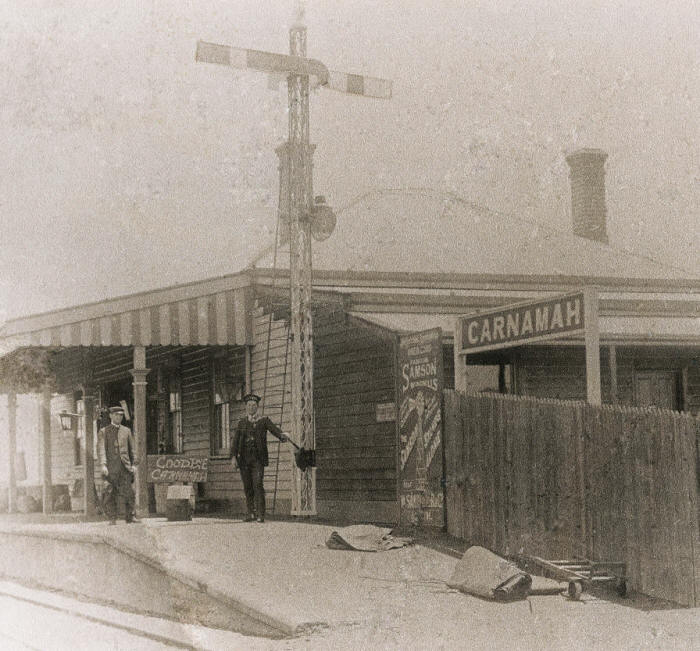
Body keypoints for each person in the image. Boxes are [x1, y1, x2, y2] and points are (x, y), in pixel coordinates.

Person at [231, 394, 288, 523]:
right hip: (244, 460)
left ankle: (260, 514)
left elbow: (274, 430)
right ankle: (251, 513)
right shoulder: (242, 423)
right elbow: (235, 441)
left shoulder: (263, 420)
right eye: (249, 405)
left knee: (258, 484)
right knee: (247, 486)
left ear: (257, 407)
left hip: (258, 459)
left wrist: (282, 436)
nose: (251, 407)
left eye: (254, 405)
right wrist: (233, 457)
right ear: (246, 407)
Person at [97, 405, 139, 524]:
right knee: (110, 493)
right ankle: (112, 517)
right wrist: (103, 465)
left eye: (121, 415)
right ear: (111, 416)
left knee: (129, 492)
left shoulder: (126, 431)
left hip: (125, 467)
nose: (119, 417)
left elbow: (133, 450)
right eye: (116, 415)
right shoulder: (104, 432)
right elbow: (101, 450)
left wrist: (134, 464)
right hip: (111, 468)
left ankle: (131, 515)